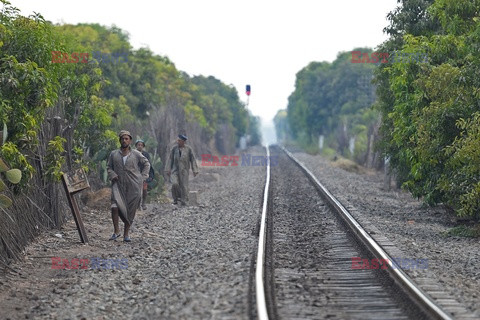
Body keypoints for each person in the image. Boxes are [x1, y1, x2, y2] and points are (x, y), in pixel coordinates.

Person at [107, 130, 150, 242]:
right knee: (114, 207)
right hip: (118, 185)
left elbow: (146, 163)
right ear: (120, 140)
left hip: (133, 186)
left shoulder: (136, 154)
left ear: (130, 141)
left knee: (130, 211)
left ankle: (126, 234)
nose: (124, 140)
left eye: (126, 139)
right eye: (122, 138)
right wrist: (112, 174)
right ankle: (116, 231)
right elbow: (109, 167)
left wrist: (143, 177)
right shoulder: (113, 154)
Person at [165, 134, 198, 205]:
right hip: (175, 170)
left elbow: (193, 160)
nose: (178, 142)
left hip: (184, 170)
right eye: (178, 140)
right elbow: (170, 159)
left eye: (180, 141)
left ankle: (184, 200)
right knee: (174, 184)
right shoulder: (174, 149)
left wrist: (194, 170)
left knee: (184, 186)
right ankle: (176, 198)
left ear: (183, 142)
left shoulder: (188, 149)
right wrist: (168, 169)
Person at [135, 139, 154, 210]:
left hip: (144, 173)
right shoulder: (133, 153)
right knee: (136, 190)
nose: (140, 146)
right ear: (136, 146)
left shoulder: (146, 154)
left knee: (144, 189)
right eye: (138, 145)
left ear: (143, 146)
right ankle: (136, 205)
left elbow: (149, 164)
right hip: (135, 174)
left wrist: (150, 175)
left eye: (141, 145)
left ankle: (143, 203)